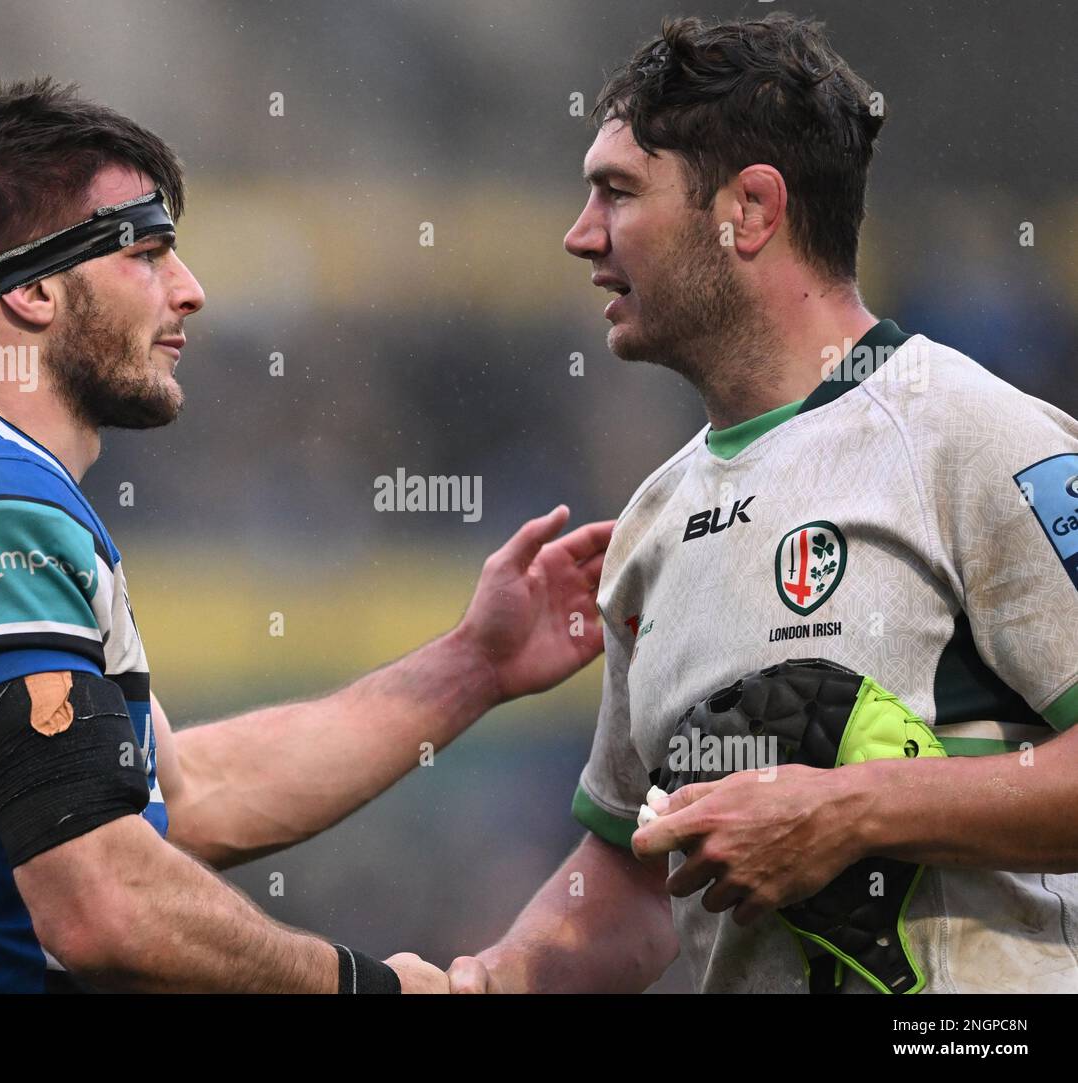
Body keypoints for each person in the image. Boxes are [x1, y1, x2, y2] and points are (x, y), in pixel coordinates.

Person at [0, 77, 612, 993]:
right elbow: (105, 902)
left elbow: (184, 796)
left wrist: (473, 665)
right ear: (33, 293)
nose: (192, 291)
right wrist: (369, 987)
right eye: (147, 252)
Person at [448, 13, 1078, 994]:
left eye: (616, 192)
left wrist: (849, 811)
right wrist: (477, 984)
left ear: (748, 208)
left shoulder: (974, 438)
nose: (579, 236)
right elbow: (633, 877)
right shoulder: (648, 529)